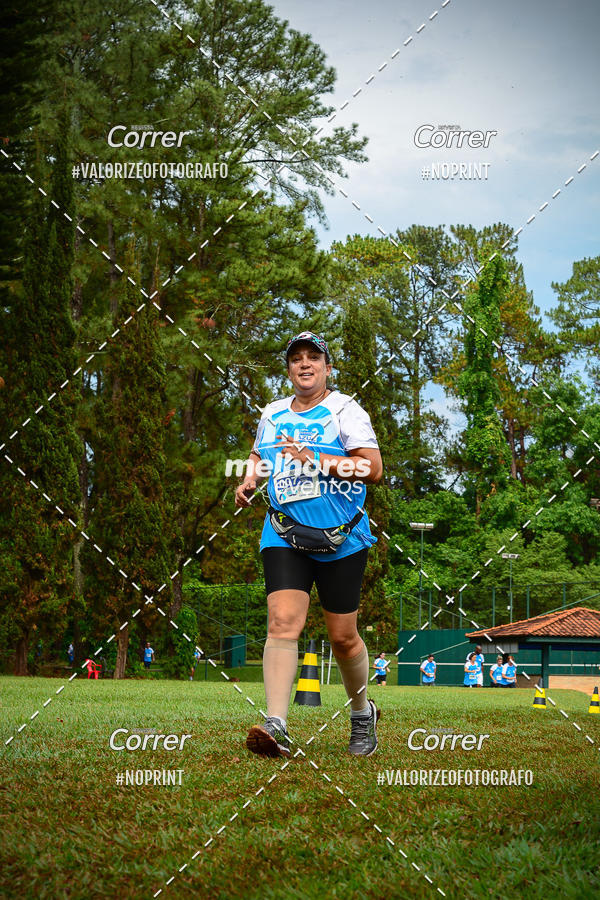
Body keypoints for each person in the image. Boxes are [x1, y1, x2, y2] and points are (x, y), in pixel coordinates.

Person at [236, 331, 383, 758]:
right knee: (282, 622)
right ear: (289, 369)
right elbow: (259, 454)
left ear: (327, 367)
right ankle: (276, 725)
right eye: (296, 358)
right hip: (284, 531)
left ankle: (361, 714)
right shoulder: (273, 413)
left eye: (313, 358)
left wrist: (315, 458)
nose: (305, 364)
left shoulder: (345, 410)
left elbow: (371, 469)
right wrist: (250, 479)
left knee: (343, 638)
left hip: (341, 536)